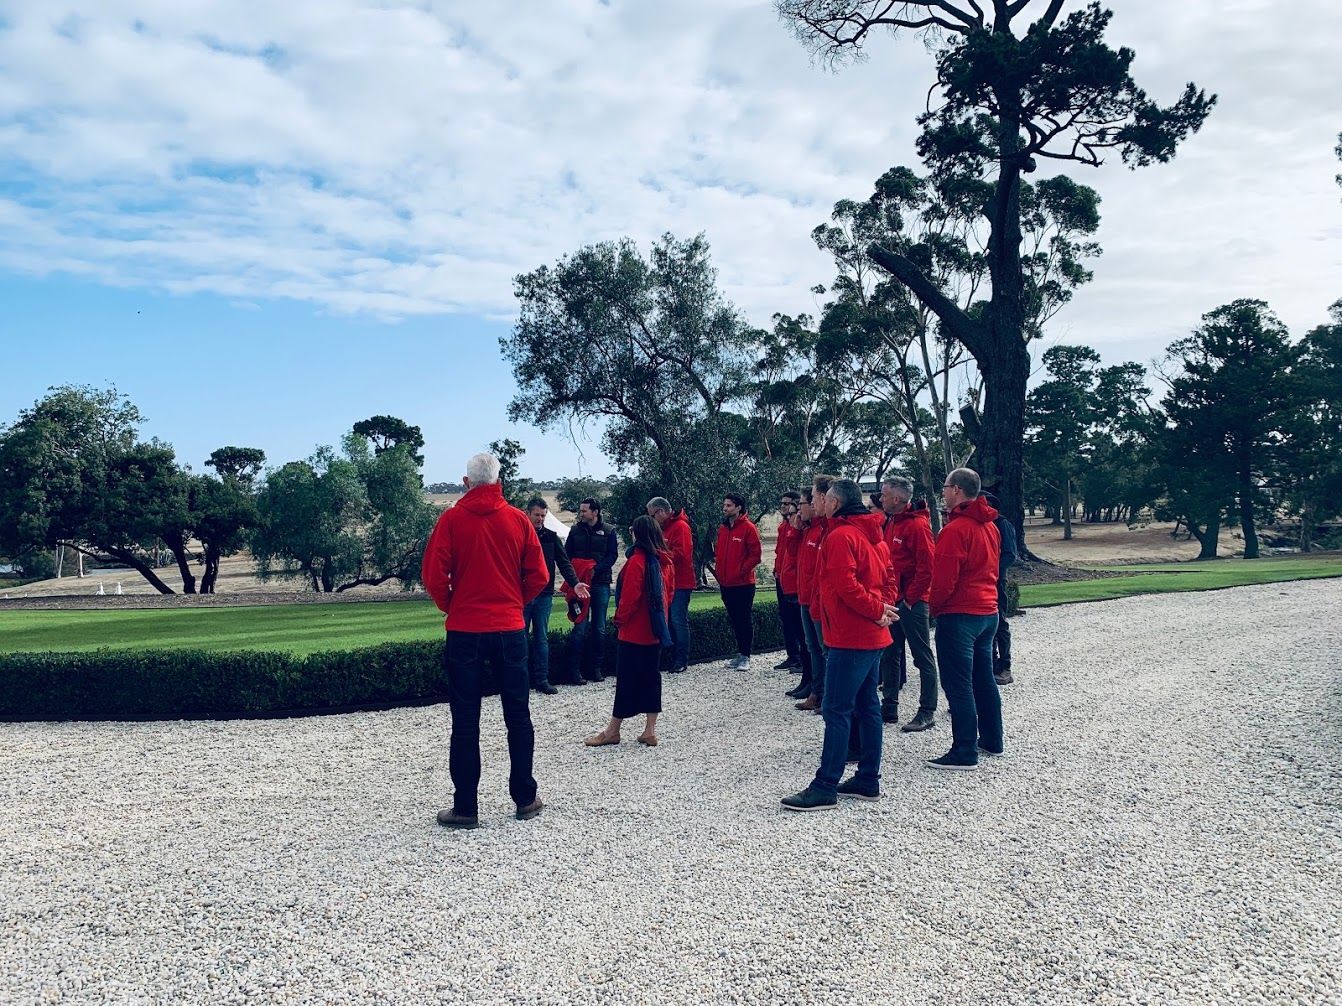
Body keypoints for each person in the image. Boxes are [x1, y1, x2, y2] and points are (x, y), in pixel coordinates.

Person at [421, 452, 549, 829]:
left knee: (464, 720)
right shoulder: (518, 520)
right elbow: (539, 575)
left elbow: (433, 574)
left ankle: (466, 807)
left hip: (465, 630)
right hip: (509, 628)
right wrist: (515, 602)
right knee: (518, 715)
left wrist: (452, 604)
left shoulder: (451, 520)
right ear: (499, 481)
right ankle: (524, 797)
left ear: (466, 482)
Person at [781, 478, 898, 811]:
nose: (821, 504)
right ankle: (867, 779)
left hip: (851, 636)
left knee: (836, 708)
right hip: (870, 633)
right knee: (867, 708)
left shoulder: (841, 535)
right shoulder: (873, 534)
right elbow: (889, 577)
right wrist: (883, 611)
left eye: (825, 500)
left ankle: (826, 785)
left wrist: (878, 611)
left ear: (835, 503)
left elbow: (845, 585)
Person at [926, 467, 1003, 771]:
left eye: (945, 487)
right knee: (983, 680)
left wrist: (934, 607)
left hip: (960, 614)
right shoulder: (990, 526)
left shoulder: (956, 530)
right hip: (987, 612)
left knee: (958, 685)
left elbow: (944, 579)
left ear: (956, 490)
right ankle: (993, 739)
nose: (943, 493)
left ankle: (964, 749)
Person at [584, 515, 676, 748]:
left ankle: (613, 731)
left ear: (638, 533)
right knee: (651, 678)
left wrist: (619, 620)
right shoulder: (666, 562)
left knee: (626, 680)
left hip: (635, 630)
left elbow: (630, 598)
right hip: (656, 630)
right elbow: (670, 594)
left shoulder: (637, 561)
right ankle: (649, 730)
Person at [880, 476, 939, 731]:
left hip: (911, 603)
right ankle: (889, 707)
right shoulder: (892, 522)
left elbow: (928, 567)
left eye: (884, 494)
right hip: (895, 602)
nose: (880, 499)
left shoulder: (916, 526)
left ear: (896, 498)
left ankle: (927, 711)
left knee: (921, 657)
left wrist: (911, 600)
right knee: (890, 654)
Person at [524, 498, 589, 695]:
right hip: (523, 594)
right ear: (528, 514)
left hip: (544, 594)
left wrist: (575, 582)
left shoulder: (551, 537)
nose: (541, 519)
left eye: (543, 516)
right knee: (520, 637)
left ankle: (542, 679)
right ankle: (520, 680)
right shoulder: (519, 535)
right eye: (537, 515)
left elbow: (564, 562)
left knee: (541, 637)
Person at [563, 497, 618, 684]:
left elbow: (612, 556)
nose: (581, 513)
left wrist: (596, 569)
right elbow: (566, 554)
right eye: (581, 510)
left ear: (595, 512)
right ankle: (574, 671)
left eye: (585, 510)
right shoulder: (575, 531)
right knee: (579, 626)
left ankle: (596, 669)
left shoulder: (609, 531)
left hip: (601, 583)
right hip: (579, 584)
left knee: (599, 628)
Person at [794, 475, 834, 712]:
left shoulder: (824, 531)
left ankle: (826, 695)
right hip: (806, 599)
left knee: (824, 649)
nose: (799, 509)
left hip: (818, 601)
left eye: (802, 504)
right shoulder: (808, 531)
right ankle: (816, 692)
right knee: (813, 648)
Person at [647, 497, 695, 673]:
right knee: (669, 620)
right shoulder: (664, 529)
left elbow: (682, 555)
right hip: (668, 582)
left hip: (681, 582)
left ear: (661, 512)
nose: (652, 519)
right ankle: (672, 657)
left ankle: (681, 659)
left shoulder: (681, 527)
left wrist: (658, 552)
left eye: (652, 515)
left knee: (678, 620)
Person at [714, 493, 761, 671]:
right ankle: (740, 654)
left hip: (743, 584)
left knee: (744, 619)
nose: (725, 508)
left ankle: (746, 656)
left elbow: (755, 556)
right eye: (724, 505)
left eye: (728, 505)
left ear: (738, 507)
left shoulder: (749, 528)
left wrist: (739, 572)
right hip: (726, 584)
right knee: (734, 620)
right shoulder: (723, 529)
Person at [982, 491, 1019, 686]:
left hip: (996, 580)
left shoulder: (1002, 524)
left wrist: (991, 570)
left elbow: (1010, 554)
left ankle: (1005, 666)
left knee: (1000, 622)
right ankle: (989, 662)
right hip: (984, 580)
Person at [772, 491, 806, 671]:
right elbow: (780, 552)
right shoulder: (782, 527)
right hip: (782, 578)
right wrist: (777, 570)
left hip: (794, 580)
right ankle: (792, 655)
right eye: (781, 503)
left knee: (798, 621)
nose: (783, 506)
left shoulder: (796, 528)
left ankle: (801, 658)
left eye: (787, 504)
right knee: (786, 619)